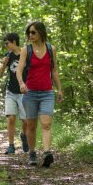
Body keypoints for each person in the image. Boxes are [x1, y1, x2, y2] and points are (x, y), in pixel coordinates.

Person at [16, 21, 63, 167]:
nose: (30, 35)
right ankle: (32, 153)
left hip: (47, 93)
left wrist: (59, 89)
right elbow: (19, 70)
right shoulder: (26, 50)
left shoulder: (51, 49)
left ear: (41, 33)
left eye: (33, 32)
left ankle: (47, 153)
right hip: (30, 93)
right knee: (31, 126)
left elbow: (54, 70)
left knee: (46, 123)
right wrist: (22, 83)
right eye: (29, 33)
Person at [0, 33, 28, 154]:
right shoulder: (8, 55)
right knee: (11, 118)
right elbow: (0, 74)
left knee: (25, 120)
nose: (6, 46)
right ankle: (11, 145)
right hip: (10, 91)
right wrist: (4, 63)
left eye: (7, 43)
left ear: (14, 42)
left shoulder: (25, 54)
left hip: (24, 92)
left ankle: (24, 136)